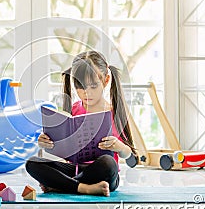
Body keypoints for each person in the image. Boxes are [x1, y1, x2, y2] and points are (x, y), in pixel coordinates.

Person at [25, 50, 135, 196]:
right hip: (76, 170)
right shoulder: (75, 109)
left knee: (108, 163)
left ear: (106, 80)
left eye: (93, 86)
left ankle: (62, 185)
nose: (86, 92)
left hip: (102, 172)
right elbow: (65, 148)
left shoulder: (113, 112)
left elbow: (129, 155)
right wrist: (47, 142)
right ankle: (84, 188)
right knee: (33, 163)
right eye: (80, 86)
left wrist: (119, 146)